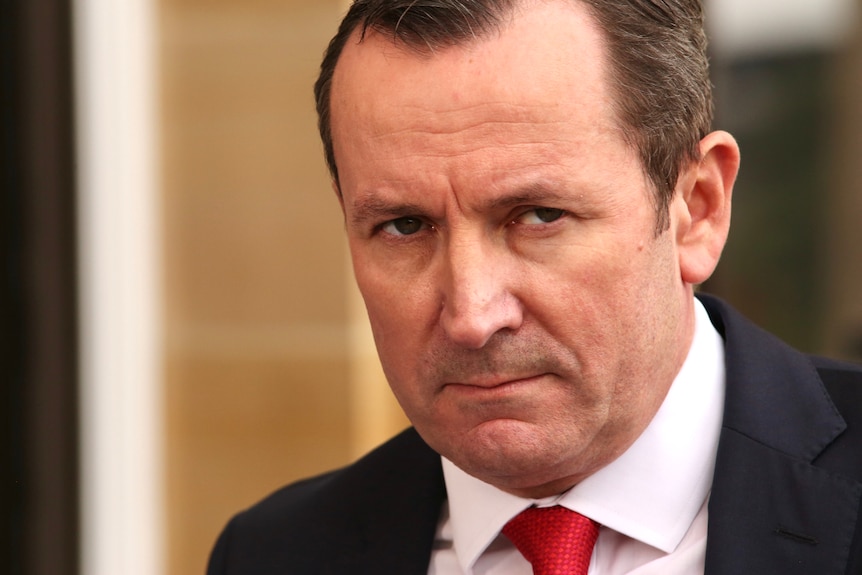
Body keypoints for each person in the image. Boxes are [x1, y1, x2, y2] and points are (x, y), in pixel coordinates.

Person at [207, 0, 862, 573]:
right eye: (404, 225)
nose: (471, 313)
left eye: (538, 217)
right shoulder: (273, 553)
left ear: (697, 207)